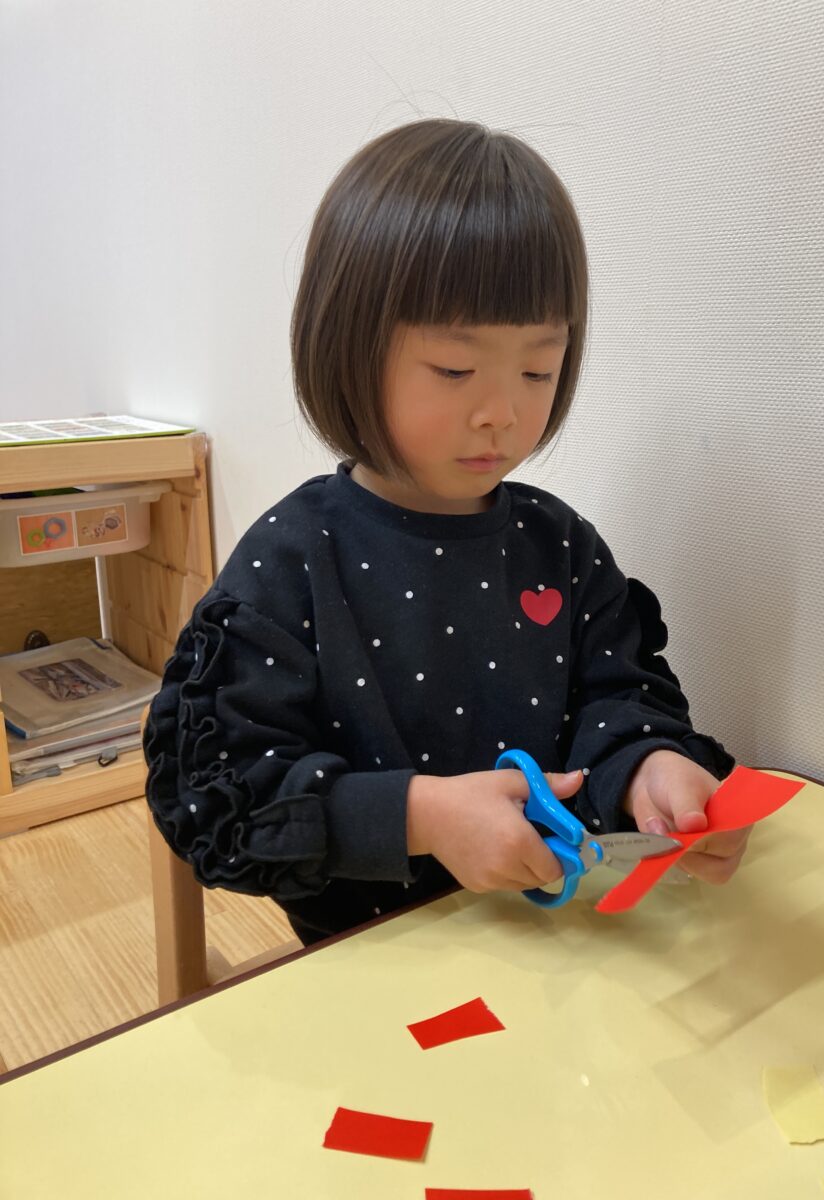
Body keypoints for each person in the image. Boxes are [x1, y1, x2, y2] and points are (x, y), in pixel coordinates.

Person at [143, 117, 747, 946]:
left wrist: (649, 768)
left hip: (555, 930)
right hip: (372, 949)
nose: (502, 410)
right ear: (349, 347)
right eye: (455, 369)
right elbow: (223, 797)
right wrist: (421, 816)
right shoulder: (294, 558)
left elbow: (616, 700)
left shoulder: (561, 548)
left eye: (537, 368)